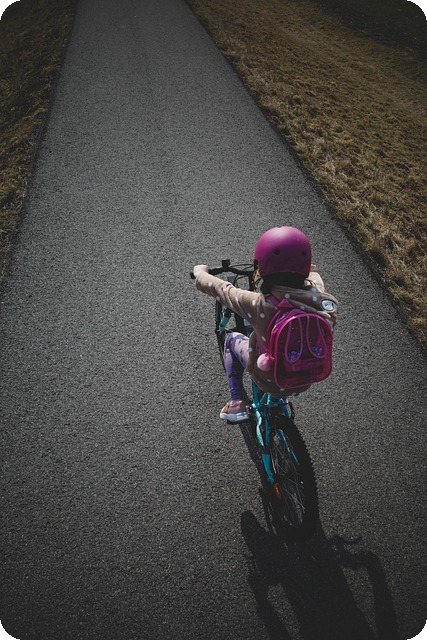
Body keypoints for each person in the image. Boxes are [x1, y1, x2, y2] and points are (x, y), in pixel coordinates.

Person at [193, 226, 338, 423]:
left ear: (262, 267)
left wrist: (200, 274)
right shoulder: (322, 300)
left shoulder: (260, 304)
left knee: (231, 339)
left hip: (267, 378)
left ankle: (236, 403)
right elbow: (316, 280)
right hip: (307, 377)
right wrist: (311, 271)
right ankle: (279, 405)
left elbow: (223, 291)